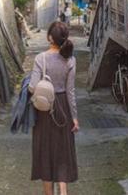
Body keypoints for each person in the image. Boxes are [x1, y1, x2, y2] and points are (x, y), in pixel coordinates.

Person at [29, 21, 79, 194]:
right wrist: (74, 118)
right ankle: (63, 191)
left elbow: (33, 86)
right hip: (63, 107)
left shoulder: (40, 58)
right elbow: (71, 91)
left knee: (45, 151)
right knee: (63, 151)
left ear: (50, 37)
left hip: (44, 109)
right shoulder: (70, 60)